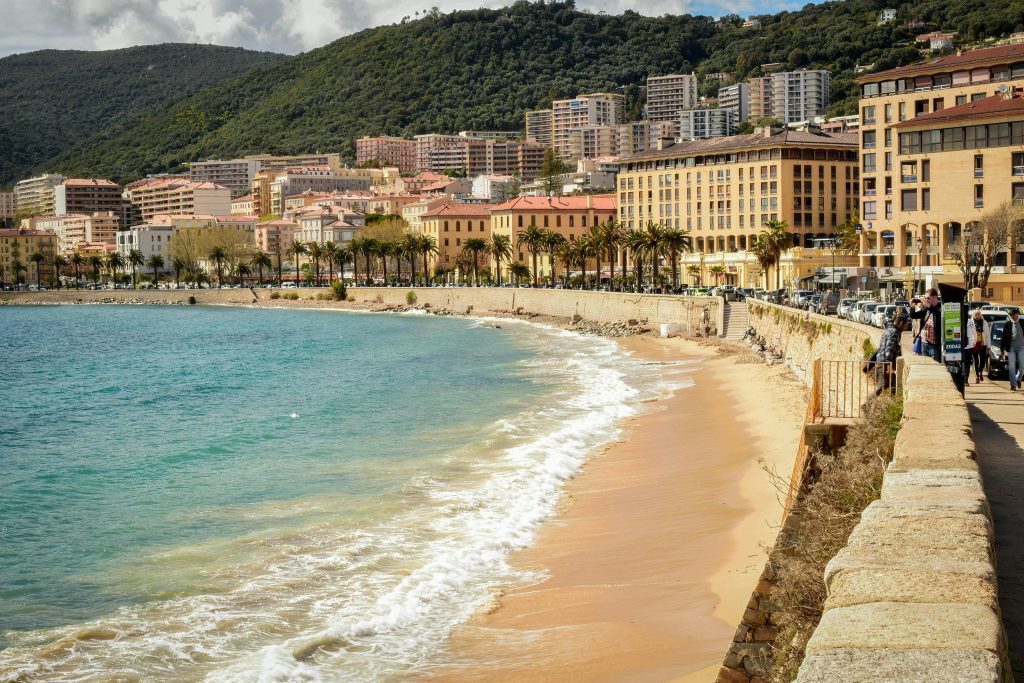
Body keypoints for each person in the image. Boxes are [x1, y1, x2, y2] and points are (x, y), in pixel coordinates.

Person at [875, 311, 911, 396]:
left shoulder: (889, 330)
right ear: (901, 323)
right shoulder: (894, 332)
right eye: (906, 325)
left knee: (888, 385)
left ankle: (875, 400)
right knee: (884, 385)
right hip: (885, 362)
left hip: (881, 360)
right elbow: (889, 348)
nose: (906, 328)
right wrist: (888, 365)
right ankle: (870, 401)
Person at [910, 288, 941, 362]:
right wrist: (912, 307)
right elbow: (914, 316)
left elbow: (938, 315)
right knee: (925, 364)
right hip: (924, 343)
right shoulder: (926, 309)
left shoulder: (940, 307)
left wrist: (929, 306)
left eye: (928, 298)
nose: (926, 300)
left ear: (935, 297)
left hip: (934, 345)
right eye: (925, 298)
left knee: (935, 365)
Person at [1000, 308, 1024, 391]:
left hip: (1021, 347)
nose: (1012, 316)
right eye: (1011, 315)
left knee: (1022, 366)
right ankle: (1013, 385)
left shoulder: (1022, 323)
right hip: (1011, 348)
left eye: (1014, 315)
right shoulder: (1008, 324)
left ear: (1017, 314)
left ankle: (1018, 379)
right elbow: (1004, 337)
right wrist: (1002, 349)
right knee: (1012, 367)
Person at [965, 308, 987, 385]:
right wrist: (973, 341)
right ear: (973, 315)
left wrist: (989, 344)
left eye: (978, 315)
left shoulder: (984, 322)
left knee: (983, 360)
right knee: (976, 360)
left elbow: (987, 334)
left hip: (982, 343)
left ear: (980, 315)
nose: (977, 316)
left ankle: (980, 371)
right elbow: (973, 333)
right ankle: (977, 376)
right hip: (974, 343)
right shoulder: (971, 322)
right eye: (976, 315)